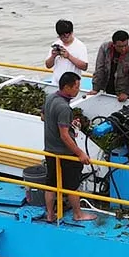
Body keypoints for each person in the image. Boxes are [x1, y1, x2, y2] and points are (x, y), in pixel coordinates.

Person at [41, 71, 97, 223]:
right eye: (76, 87)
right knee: (72, 185)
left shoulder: (50, 97)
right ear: (67, 87)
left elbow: (43, 117)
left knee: (51, 184)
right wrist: (80, 153)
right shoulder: (64, 108)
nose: (78, 90)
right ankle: (78, 214)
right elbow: (64, 136)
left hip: (50, 150)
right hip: (65, 153)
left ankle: (50, 214)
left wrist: (69, 123)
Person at [92, 29, 129, 102]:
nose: (123, 49)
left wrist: (127, 93)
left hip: (124, 93)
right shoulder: (105, 48)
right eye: (120, 46)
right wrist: (95, 88)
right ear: (113, 44)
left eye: (125, 45)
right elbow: (99, 69)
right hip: (107, 90)